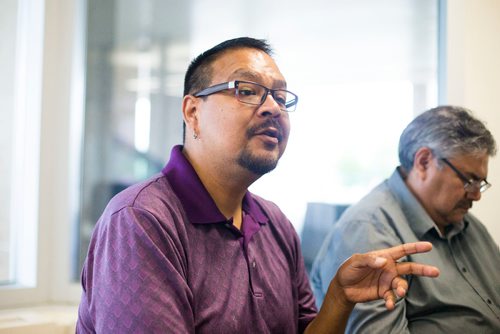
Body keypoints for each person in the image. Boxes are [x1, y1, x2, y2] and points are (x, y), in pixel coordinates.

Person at [76, 37, 439, 333]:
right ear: (192, 113)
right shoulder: (141, 220)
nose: (273, 108)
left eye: (280, 98)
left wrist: (339, 298)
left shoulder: (274, 222)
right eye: (246, 90)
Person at [311, 105, 500, 333]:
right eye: (469, 181)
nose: (477, 195)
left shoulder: (467, 224)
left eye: (481, 184)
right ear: (424, 162)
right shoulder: (369, 229)